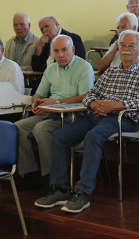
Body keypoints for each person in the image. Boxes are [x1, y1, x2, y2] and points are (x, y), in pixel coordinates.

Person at [34, 30, 139, 214]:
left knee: (93, 136)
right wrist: (94, 103)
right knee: (60, 136)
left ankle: (82, 192)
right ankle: (60, 189)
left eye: (131, 46)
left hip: (122, 118)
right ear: (118, 48)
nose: (126, 49)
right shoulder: (110, 72)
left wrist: (112, 106)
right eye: (123, 45)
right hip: (96, 113)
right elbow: (90, 93)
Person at [15, 35, 94, 178]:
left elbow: (85, 98)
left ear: (73, 49)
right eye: (56, 51)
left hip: (74, 115)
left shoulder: (84, 67)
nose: (61, 55)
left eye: (64, 50)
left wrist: (57, 102)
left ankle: (52, 177)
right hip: (49, 111)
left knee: (41, 129)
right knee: (19, 126)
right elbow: (38, 94)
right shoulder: (51, 69)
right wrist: (36, 103)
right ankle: (29, 173)